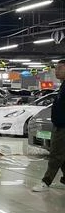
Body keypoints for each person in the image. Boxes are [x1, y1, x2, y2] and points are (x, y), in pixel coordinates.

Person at [33, 60, 65, 192]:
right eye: (56, 68)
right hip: (59, 124)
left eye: (60, 68)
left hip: (63, 126)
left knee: (56, 154)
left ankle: (46, 181)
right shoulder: (63, 86)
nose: (56, 71)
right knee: (61, 155)